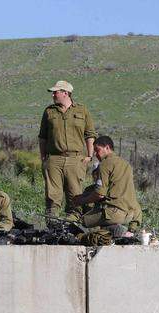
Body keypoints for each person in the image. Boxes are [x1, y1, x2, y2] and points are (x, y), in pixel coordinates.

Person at [38, 80, 97, 219]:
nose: (53, 95)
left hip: (75, 159)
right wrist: (43, 158)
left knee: (75, 195)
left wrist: (89, 155)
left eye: (55, 92)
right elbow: (42, 137)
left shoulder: (82, 110)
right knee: (53, 196)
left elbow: (90, 134)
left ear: (65, 93)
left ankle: (72, 224)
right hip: (54, 159)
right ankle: (52, 225)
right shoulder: (49, 111)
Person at [72, 136, 142, 235]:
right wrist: (132, 228)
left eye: (97, 150)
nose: (96, 154)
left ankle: (114, 230)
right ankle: (118, 231)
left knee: (79, 223)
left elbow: (99, 194)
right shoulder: (126, 165)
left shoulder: (105, 164)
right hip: (129, 215)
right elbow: (133, 201)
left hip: (113, 214)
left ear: (107, 148)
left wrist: (81, 200)